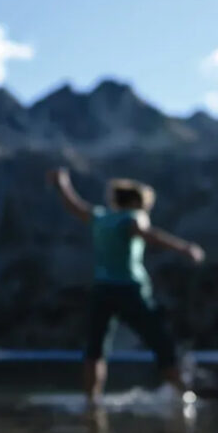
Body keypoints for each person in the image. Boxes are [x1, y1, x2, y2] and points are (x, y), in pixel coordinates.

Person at [47, 167, 204, 403]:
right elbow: (150, 235)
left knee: (96, 349)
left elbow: (74, 205)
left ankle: (91, 401)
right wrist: (184, 248)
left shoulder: (101, 217)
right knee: (159, 341)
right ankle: (184, 393)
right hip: (129, 289)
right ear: (135, 202)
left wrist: (62, 185)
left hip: (101, 290)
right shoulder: (131, 217)